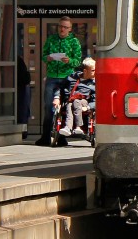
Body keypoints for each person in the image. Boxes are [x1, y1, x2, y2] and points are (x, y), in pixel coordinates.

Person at [36, 16, 82, 146]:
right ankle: (45, 137)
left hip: (67, 77)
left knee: (66, 106)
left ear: (70, 29)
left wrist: (70, 61)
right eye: (60, 26)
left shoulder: (74, 41)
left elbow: (78, 61)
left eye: (65, 27)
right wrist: (48, 58)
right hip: (52, 76)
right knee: (48, 107)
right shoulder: (51, 40)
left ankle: (61, 137)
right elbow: (43, 55)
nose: (62, 29)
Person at [56, 58, 96, 144]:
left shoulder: (94, 83)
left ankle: (73, 127)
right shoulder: (71, 77)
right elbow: (60, 87)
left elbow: (96, 100)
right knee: (71, 104)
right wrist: (57, 98)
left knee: (75, 102)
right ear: (85, 71)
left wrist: (88, 107)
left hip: (84, 102)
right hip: (70, 101)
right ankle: (71, 128)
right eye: (93, 70)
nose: (95, 72)